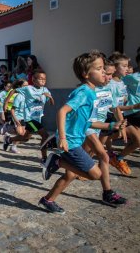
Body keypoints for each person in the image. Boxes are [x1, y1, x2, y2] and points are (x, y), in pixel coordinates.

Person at [39, 50, 125, 214]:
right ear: (86, 74)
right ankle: (56, 162)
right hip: (70, 142)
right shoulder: (84, 92)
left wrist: (111, 126)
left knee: (70, 175)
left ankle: (48, 200)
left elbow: (88, 122)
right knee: (95, 174)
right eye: (99, 69)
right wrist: (62, 137)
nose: (104, 72)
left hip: (76, 139)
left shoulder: (91, 93)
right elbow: (62, 111)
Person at [81, 59, 127, 206]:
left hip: (99, 127)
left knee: (77, 166)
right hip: (88, 128)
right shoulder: (88, 90)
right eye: (106, 74)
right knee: (103, 156)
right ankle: (107, 193)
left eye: (111, 74)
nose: (109, 78)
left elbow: (116, 108)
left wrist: (121, 126)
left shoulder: (108, 89)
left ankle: (59, 162)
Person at [3, 71, 55, 163]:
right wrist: (6, 103)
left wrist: (50, 97)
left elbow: (52, 104)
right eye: (40, 79)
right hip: (30, 119)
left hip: (38, 118)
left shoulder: (45, 90)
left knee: (25, 138)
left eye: (44, 79)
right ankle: (44, 158)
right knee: (45, 135)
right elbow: (14, 90)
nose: (43, 81)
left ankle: (9, 139)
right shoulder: (28, 89)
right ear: (34, 80)